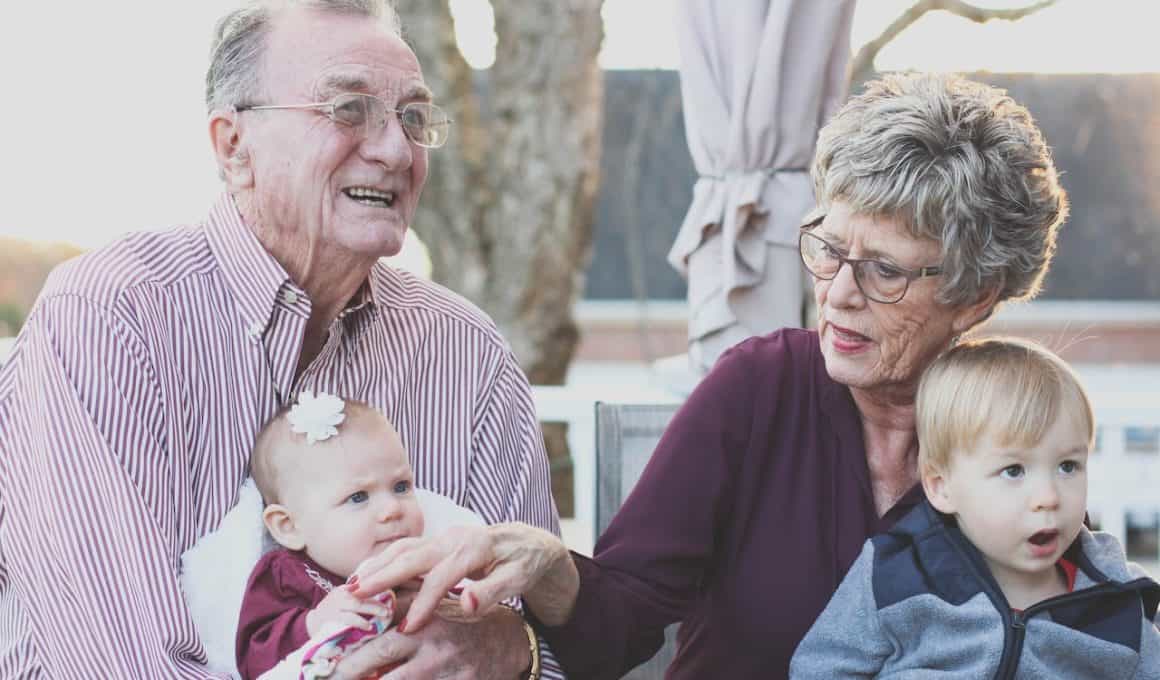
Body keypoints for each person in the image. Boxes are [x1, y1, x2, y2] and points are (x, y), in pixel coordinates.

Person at [348, 72, 1075, 678]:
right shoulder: (760, 389)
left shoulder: (1019, 428)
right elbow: (618, 626)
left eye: (883, 270)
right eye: (827, 246)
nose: (838, 291)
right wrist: (549, 566)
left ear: (975, 295)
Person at [0, 1, 561, 677]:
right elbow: (117, 664)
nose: (393, 149)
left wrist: (510, 650)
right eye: (349, 108)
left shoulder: (466, 352)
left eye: (413, 117)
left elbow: (541, 638)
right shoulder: (112, 318)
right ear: (234, 147)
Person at [790, 338, 1160, 678]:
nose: (1049, 496)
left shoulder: (1117, 599)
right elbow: (819, 669)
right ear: (941, 487)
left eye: (1068, 466)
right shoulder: (897, 573)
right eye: (1013, 471)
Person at [236, 394, 423, 679]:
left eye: (401, 486)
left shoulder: (425, 566)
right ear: (289, 526)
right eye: (358, 496)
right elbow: (253, 657)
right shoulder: (288, 575)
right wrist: (313, 623)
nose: (392, 509)